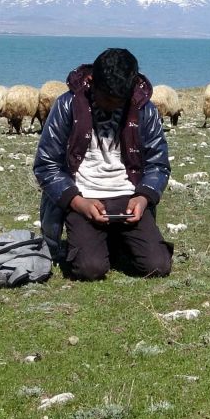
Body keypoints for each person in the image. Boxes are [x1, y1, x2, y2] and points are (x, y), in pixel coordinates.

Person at [34, 48, 172, 281]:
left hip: (128, 197)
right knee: (90, 269)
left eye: (119, 101)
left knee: (157, 266)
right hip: (83, 196)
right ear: (91, 81)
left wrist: (142, 198)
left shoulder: (145, 110)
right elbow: (46, 164)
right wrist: (77, 202)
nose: (111, 105)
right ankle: (99, 241)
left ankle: (115, 239)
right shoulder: (67, 106)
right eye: (106, 98)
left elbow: (158, 163)